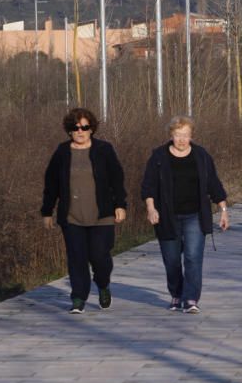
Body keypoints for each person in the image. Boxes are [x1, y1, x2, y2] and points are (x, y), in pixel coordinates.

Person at [41, 108, 127, 314]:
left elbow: (117, 179)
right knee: (77, 257)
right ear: (69, 130)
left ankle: (103, 284)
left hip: (102, 214)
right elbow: (51, 183)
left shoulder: (104, 150)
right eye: (75, 128)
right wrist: (47, 211)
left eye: (84, 127)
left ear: (92, 129)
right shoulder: (62, 152)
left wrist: (120, 205)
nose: (80, 131)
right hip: (72, 216)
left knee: (99, 256)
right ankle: (78, 297)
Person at [141, 116, 229, 314]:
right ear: (171, 135)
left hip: (195, 215)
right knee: (171, 260)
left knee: (192, 257)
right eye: (178, 135)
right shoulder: (159, 156)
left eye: (185, 135)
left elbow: (213, 183)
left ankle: (190, 298)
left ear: (191, 136)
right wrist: (151, 208)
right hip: (167, 216)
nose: (181, 140)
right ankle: (176, 294)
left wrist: (223, 210)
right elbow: (148, 185)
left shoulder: (200, 155)